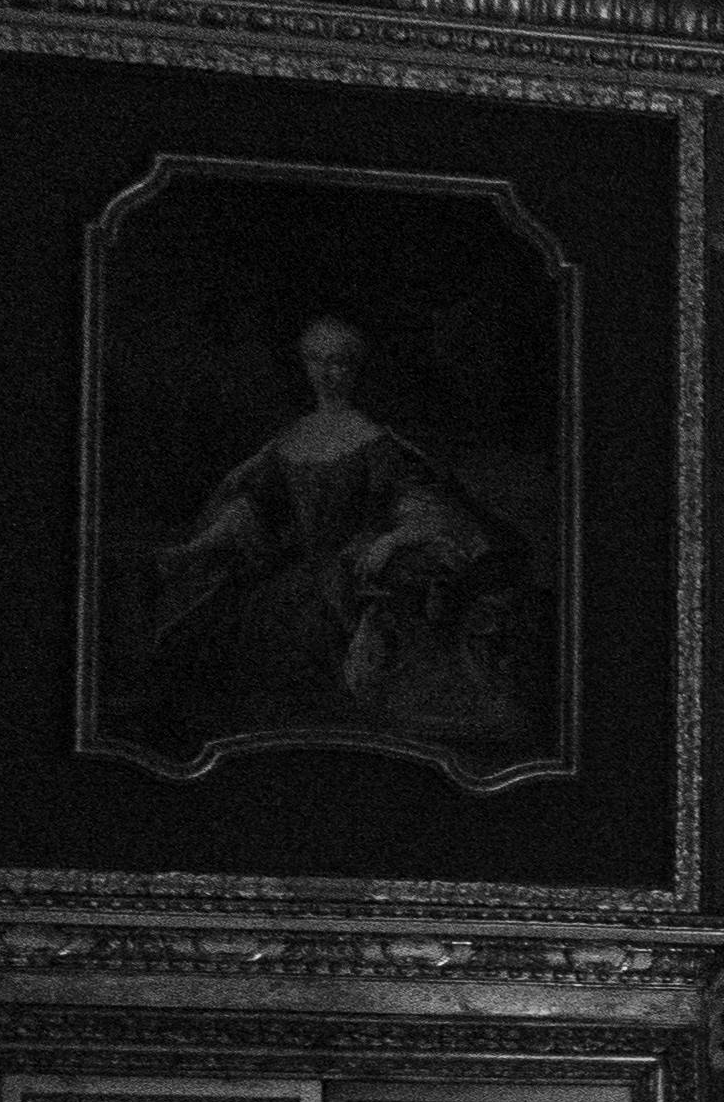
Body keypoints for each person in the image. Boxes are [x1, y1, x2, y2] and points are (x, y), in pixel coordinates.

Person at [125, 311, 540, 773]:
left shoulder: (376, 442)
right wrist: (198, 547)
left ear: (356, 368)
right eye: (318, 361)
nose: (328, 372)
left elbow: (422, 506)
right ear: (305, 365)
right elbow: (250, 508)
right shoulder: (288, 441)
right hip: (289, 574)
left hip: (346, 573)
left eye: (340, 362)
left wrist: (393, 539)